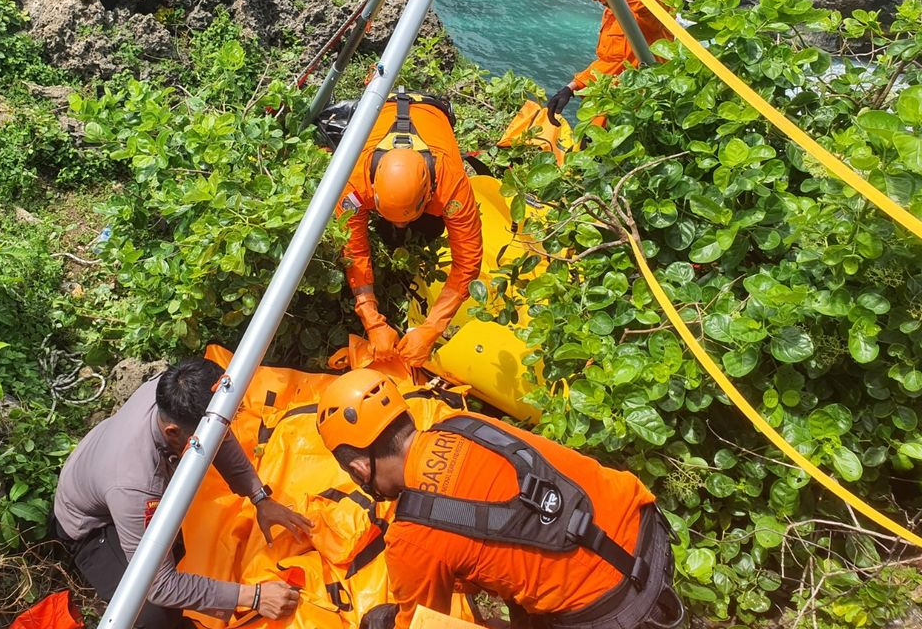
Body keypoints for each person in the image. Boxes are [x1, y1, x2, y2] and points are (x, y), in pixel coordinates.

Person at [317, 369, 684, 629]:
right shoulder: (463, 424)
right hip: (650, 534)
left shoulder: (412, 538)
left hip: (613, 607)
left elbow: (423, 624)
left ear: (360, 469)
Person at [53, 357, 314, 628]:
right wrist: (253, 595)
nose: (225, 433)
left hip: (102, 472)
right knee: (153, 617)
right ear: (173, 433)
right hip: (92, 528)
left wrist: (260, 497)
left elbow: (218, 432)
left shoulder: (174, 393)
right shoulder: (135, 486)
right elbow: (158, 584)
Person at [335, 89, 483, 368]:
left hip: (433, 111)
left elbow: (468, 263)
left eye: (406, 217)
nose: (400, 224)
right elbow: (354, 251)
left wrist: (431, 329)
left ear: (429, 194)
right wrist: (371, 319)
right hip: (383, 106)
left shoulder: (452, 184)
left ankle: (416, 229)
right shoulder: (354, 184)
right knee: (386, 234)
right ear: (373, 191)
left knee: (429, 229)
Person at [536, 0, 675, 127]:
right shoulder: (613, 11)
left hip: (642, 119)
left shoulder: (653, 1)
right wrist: (572, 87)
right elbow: (612, 62)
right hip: (612, 116)